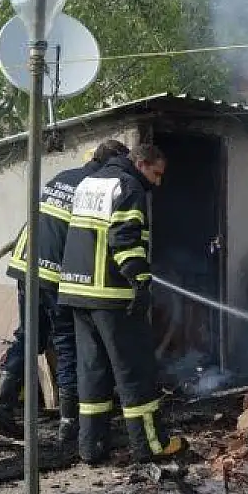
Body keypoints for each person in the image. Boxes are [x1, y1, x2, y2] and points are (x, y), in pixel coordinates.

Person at [0, 139, 130, 445]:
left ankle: (1, 407)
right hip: (56, 276)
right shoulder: (96, 189)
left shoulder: (61, 178)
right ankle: (69, 424)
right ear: (110, 165)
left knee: (29, 337)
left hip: (26, 266)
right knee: (67, 346)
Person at [57, 143, 187, 464]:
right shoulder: (128, 187)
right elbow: (124, 239)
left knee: (93, 372)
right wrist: (139, 280)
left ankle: (92, 446)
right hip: (110, 296)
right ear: (141, 164)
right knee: (135, 371)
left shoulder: (90, 182)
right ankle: (150, 445)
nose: (157, 183)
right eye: (156, 174)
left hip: (78, 293)